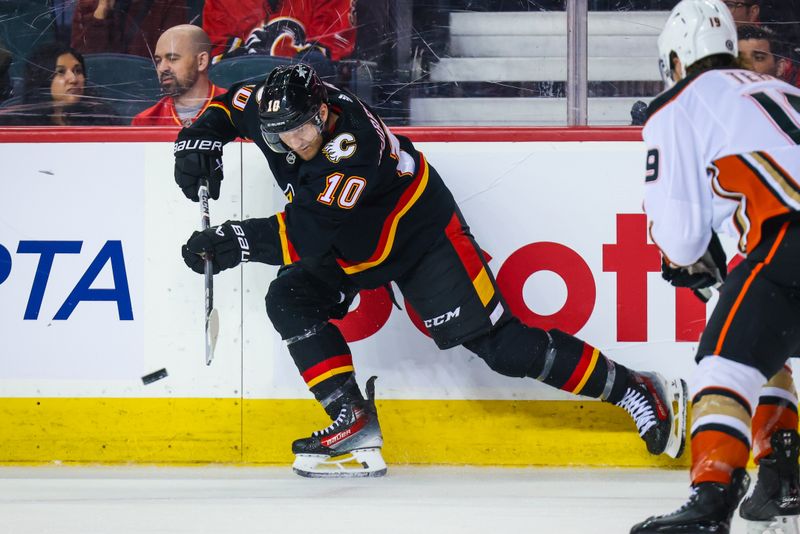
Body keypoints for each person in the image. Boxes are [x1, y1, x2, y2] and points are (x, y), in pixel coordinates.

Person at [171, 63, 688, 478]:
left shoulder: (352, 146)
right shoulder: (274, 106)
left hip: (418, 237)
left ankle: (634, 388)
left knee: (503, 349)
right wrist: (198, 139)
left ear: (324, 111)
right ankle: (350, 419)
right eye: (279, 136)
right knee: (288, 300)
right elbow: (222, 105)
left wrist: (233, 239)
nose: (293, 144)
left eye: (303, 131)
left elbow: (305, 235)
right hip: (349, 241)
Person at [630, 1, 800, 533]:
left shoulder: (677, 103)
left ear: (676, 61)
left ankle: (712, 498)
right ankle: (782, 481)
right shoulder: (786, 92)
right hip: (780, 235)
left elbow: (681, 240)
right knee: (760, 348)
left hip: (787, 238)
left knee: (724, 364)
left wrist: (683, 258)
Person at [0, 43, 120, 126]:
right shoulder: (16, 125)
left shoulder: (105, 118)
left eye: (78, 71)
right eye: (61, 72)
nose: (73, 79)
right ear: (43, 80)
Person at [202, 0, 356, 64]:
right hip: (245, 100)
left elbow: (326, 57)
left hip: (310, 100)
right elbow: (221, 63)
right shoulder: (222, 2)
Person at [132, 25, 225, 127]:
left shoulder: (238, 112)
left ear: (201, 61)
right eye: (158, 61)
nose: (162, 68)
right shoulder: (145, 122)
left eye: (172, 58)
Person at [71, 0, 187, 57]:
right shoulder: (87, 5)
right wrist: (101, 13)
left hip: (148, 91)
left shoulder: (168, 3)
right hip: (99, 93)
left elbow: (172, 57)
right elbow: (84, 63)